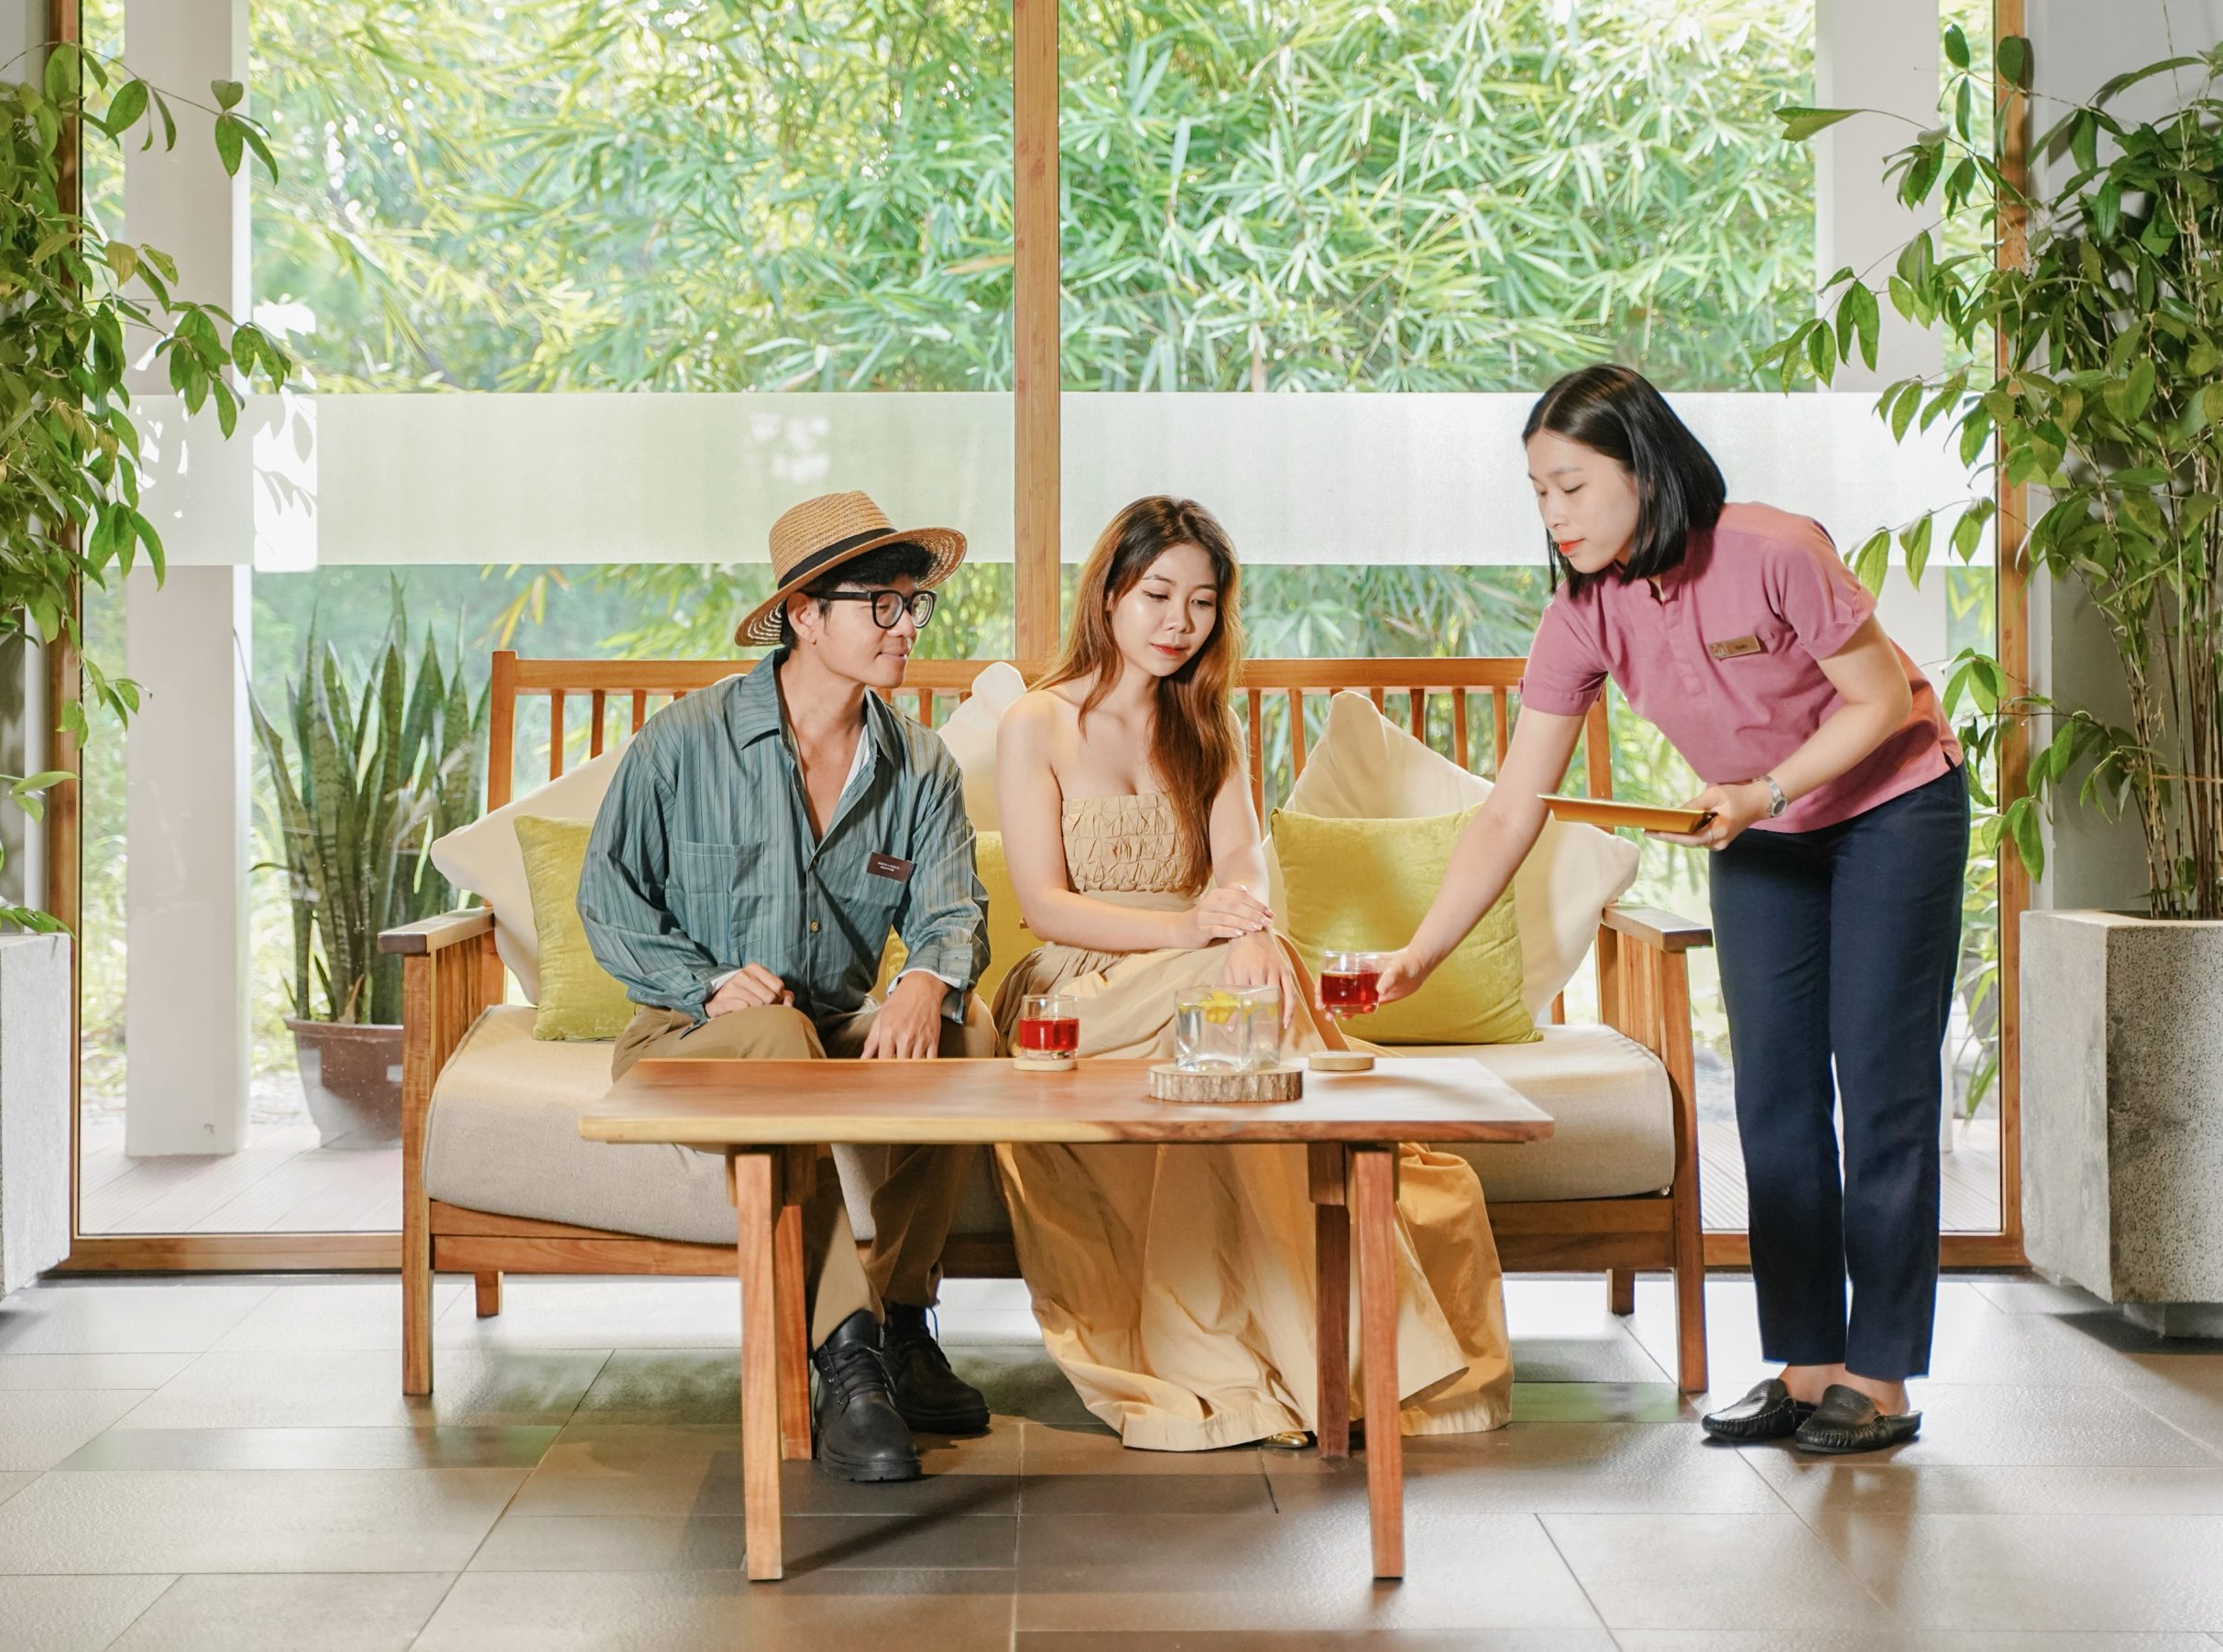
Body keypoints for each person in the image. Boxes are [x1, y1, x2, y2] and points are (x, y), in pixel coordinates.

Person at [1374, 365, 1967, 1455]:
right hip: (1759, 833)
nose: (1553, 515)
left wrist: (1764, 792)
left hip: (1892, 809)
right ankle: (1807, 1369)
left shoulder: (1772, 549)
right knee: (1774, 1096)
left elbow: (1881, 700)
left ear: (1643, 471)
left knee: (1881, 1087)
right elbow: (1512, 808)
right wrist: (1421, 950)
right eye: (1538, 493)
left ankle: (1879, 1379)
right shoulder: (1582, 613)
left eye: (1571, 487)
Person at [989, 495, 1514, 1451]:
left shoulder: (1205, 721)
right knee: (1230, 998)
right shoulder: (1038, 722)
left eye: (1201, 603)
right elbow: (1045, 905)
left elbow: (1240, 862)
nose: (1178, 623)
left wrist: (1246, 927)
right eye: (1156, 595)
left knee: (1248, 991)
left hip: (1203, 967)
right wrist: (1194, 929)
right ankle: (1297, 1362)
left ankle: (1316, 1358)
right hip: (1076, 988)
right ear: (1108, 595)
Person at [579, 489, 1000, 1484]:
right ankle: (846, 1356)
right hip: (692, 1038)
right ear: (805, 616)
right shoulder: (684, 742)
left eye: (914, 604)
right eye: (882, 604)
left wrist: (925, 976)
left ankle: (902, 1322)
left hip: (834, 1025)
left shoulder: (921, 765)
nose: (907, 626)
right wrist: (706, 983)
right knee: (774, 1035)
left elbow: (951, 911)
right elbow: (609, 898)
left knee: (968, 1028)